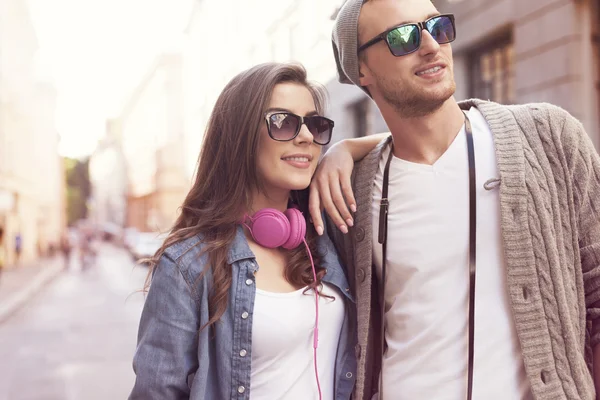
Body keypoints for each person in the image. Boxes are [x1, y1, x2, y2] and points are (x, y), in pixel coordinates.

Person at [308, 1, 600, 399]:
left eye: (437, 26)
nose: (430, 45)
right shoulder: (351, 189)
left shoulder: (549, 137)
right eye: (402, 37)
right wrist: (341, 150)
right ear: (361, 70)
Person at [129, 62, 357, 400]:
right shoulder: (189, 266)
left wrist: (348, 149)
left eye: (315, 124)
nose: (307, 136)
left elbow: (427, 135)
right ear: (240, 136)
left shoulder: (322, 235)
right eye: (283, 122)